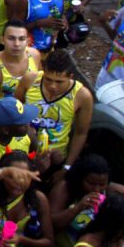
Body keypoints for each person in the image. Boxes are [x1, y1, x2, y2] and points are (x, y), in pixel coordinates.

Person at [18, 48, 93, 176]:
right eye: (48, 79)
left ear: (70, 77)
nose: (53, 86)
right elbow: (15, 111)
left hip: (55, 159)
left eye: (59, 82)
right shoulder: (29, 80)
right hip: (23, 152)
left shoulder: (82, 96)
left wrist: (66, 168)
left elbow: (81, 133)